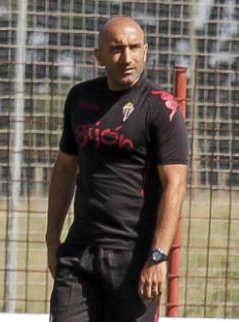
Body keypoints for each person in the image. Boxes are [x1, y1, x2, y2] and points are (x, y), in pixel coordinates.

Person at [46, 16, 188, 322]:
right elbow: (65, 168)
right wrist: (52, 240)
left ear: (146, 51)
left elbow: (175, 184)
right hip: (80, 252)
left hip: (134, 260)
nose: (127, 58)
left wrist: (158, 255)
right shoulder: (80, 98)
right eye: (116, 49)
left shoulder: (161, 107)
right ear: (98, 56)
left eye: (134, 48)